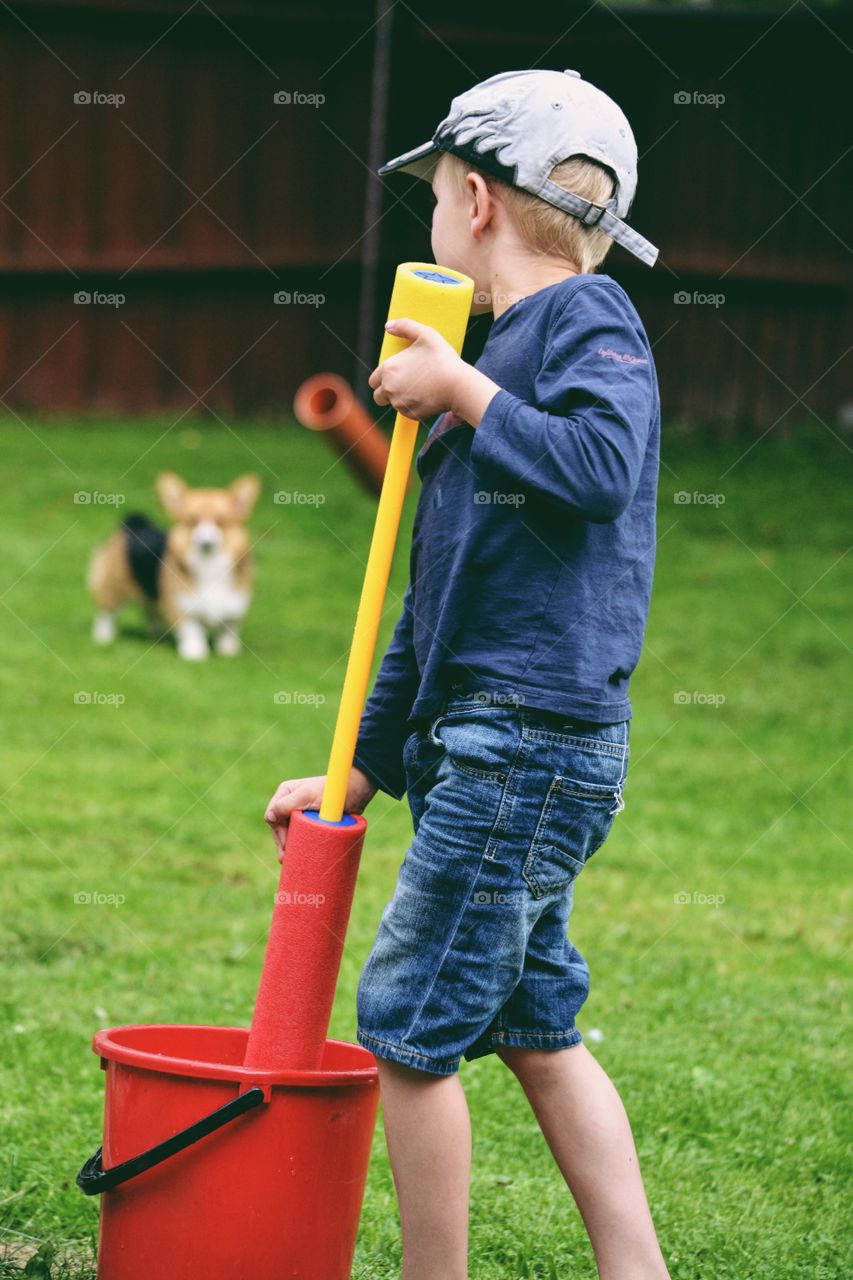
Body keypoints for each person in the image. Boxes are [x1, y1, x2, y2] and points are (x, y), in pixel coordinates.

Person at [265, 68, 669, 1280]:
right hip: (491, 745)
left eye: (437, 195)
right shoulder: (490, 371)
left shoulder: (587, 325)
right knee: (537, 1029)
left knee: (404, 1031)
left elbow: (599, 465)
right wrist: (349, 774)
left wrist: (463, 387)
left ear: (478, 202)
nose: (436, 219)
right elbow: (427, 619)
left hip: (525, 746)